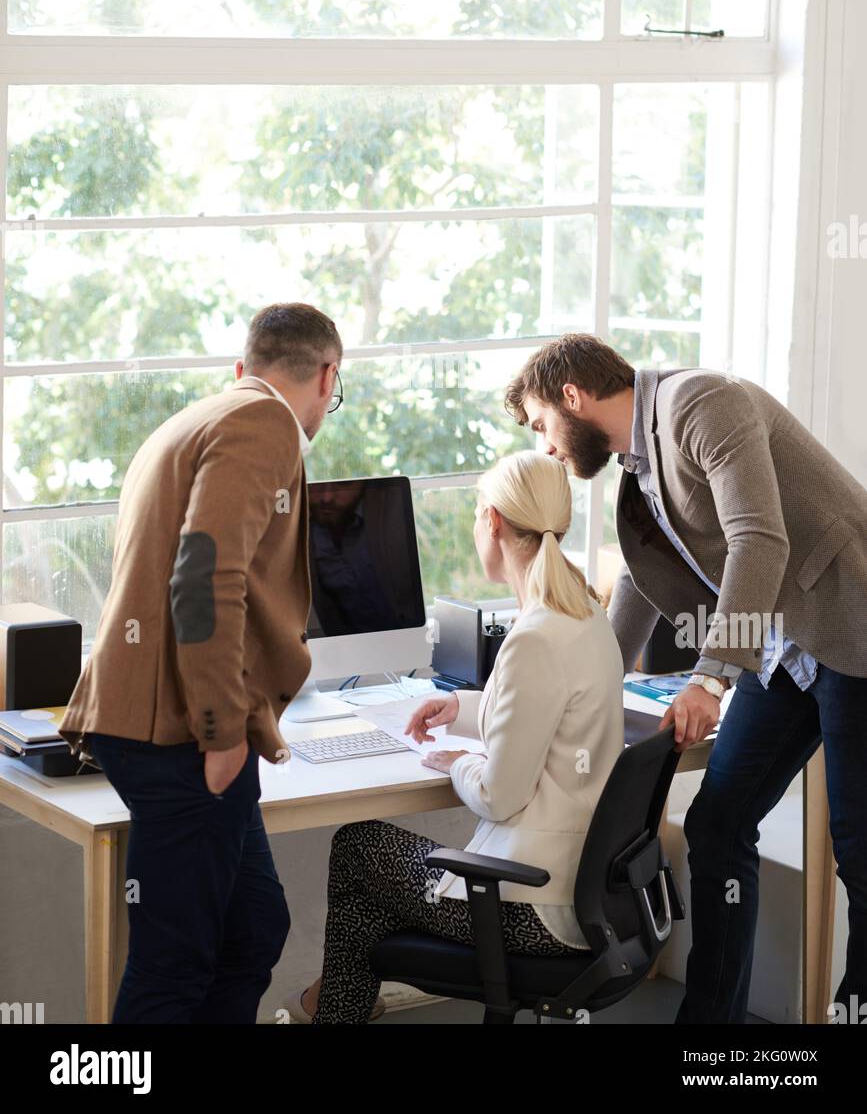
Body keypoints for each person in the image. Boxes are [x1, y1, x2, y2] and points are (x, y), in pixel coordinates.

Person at [503, 332, 867, 1024]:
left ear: (572, 396)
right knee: (717, 823)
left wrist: (709, 679)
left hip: (852, 629)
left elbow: (758, 539)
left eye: (542, 424)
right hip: (781, 652)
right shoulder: (637, 466)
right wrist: (589, 680)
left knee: (860, 855)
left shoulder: (700, 403)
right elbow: (640, 581)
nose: (545, 447)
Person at [59, 302, 343, 1023]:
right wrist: (219, 731)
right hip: (183, 730)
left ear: (244, 366)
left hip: (160, 720)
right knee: (176, 960)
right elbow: (204, 575)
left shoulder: (201, 417)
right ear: (327, 376)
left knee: (252, 929)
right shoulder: (264, 422)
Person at [286, 447, 625, 1023]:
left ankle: (325, 1010)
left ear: (493, 521)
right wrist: (458, 709)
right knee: (370, 903)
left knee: (358, 848)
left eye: (475, 515)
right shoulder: (584, 617)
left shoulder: (535, 638)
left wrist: (456, 763)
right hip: (584, 898)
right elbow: (539, 711)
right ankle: (326, 1009)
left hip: (532, 909)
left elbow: (498, 794)